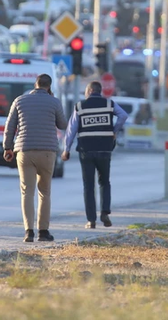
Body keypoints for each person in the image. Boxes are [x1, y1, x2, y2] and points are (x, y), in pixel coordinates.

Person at [3, 74, 67, 243]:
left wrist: (7, 147)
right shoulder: (54, 102)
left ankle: (28, 232)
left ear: (35, 84)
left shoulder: (19, 101)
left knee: (26, 191)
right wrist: (52, 106)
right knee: (44, 192)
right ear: (49, 86)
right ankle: (43, 232)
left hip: (25, 150)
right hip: (47, 151)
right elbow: (63, 124)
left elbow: (10, 127)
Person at [62, 81, 129, 229]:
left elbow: (71, 129)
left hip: (86, 150)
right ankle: (105, 212)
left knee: (88, 185)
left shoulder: (80, 106)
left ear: (90, 90)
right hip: (105, 149)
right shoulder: (109, 104)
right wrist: (114, 131)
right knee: (104, 182)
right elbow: (123, 115)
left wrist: (66, 149)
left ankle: (91, 220)